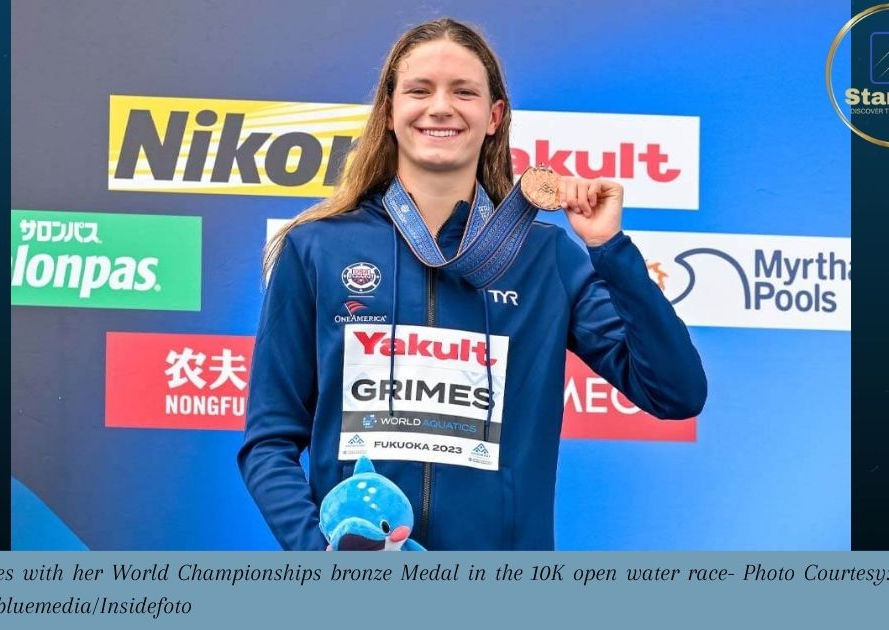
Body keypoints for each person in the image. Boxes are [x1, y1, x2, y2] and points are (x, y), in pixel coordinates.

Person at [237, 17, 706, 551]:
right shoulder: (318, 248)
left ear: (494, 116)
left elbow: (676, 393)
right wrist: (320, 559)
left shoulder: (544, 255)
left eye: (464, 92)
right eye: (419, 90)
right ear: (390, 112)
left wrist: (609, 249)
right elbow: (269, 442)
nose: (441, 107)